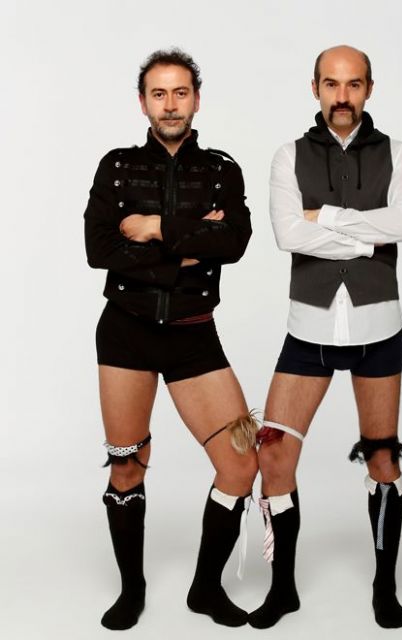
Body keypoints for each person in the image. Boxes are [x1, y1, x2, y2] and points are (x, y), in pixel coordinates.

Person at [84, 48, 258, 630]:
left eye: (180, 92)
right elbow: (100, 250)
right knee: (127, 468)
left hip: (193, 335)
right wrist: (187, 249)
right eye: (158, 94)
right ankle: (131, 589)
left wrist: (155, 228)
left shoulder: (222, 170)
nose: (170, 104)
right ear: (143, 103)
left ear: (196, 99)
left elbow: (233, 243)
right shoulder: (115, 167)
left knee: (241, 464)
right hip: (126, 335)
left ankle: (205, 589)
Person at [249, 45, 402, 630]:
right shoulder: (287, 155)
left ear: (369, 88)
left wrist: (321, 217)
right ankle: (283, 589)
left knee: (383, 459)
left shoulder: (398, 153)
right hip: (309, 327)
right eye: (331, 84)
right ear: (315, 88)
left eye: (352, 84)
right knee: (273, 454)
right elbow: (286, 235)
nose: (342, 96)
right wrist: (367, 236)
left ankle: (384, 586)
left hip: (379, 326)